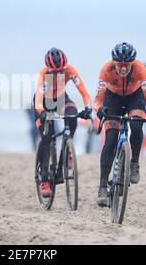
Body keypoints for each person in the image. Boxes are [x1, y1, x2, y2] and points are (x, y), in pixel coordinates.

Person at [94, 42, 146, 207]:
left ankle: (134, 162)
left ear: (132, 63)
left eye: (127, 65)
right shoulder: (106, 69)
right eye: (119, 65)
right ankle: (102, 186)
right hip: (112, 97)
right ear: (113, 62)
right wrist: (99, 110)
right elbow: (98, 99)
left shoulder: (140, 68)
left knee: (137, 125)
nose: (123, 68)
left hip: (134, 97)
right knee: (110, 139)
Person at [33, 48, 92, 198]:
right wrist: (43, 113)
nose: (58, 74)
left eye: (61, 71)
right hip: (44, 103)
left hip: (61, 99)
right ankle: (44, 179)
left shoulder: (70, 70)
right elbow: (38, 103)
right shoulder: (42, 75)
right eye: (55, 72)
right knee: (47, 138)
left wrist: (88, 108)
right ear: (49, 69)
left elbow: (84, 93)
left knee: (73, 116)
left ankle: (67, 150)